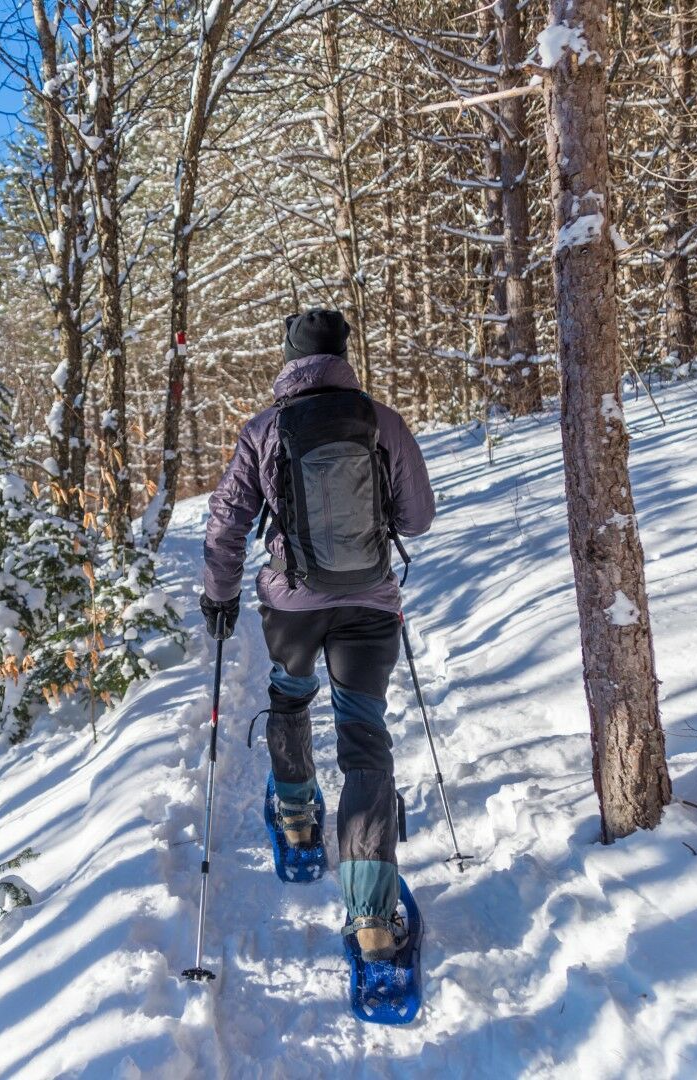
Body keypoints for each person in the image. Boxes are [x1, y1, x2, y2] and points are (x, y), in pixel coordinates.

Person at [200, 308, 435, 961]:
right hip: (368, 604)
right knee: (364, 743)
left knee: (290, 696)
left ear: (288, 357)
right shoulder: (380, 421)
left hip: (292, 605)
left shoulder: (263, 429)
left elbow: (226, 522)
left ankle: (299, 819)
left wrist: (218, 595)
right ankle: (370, 915)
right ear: (343, 354)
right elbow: (416, 519)